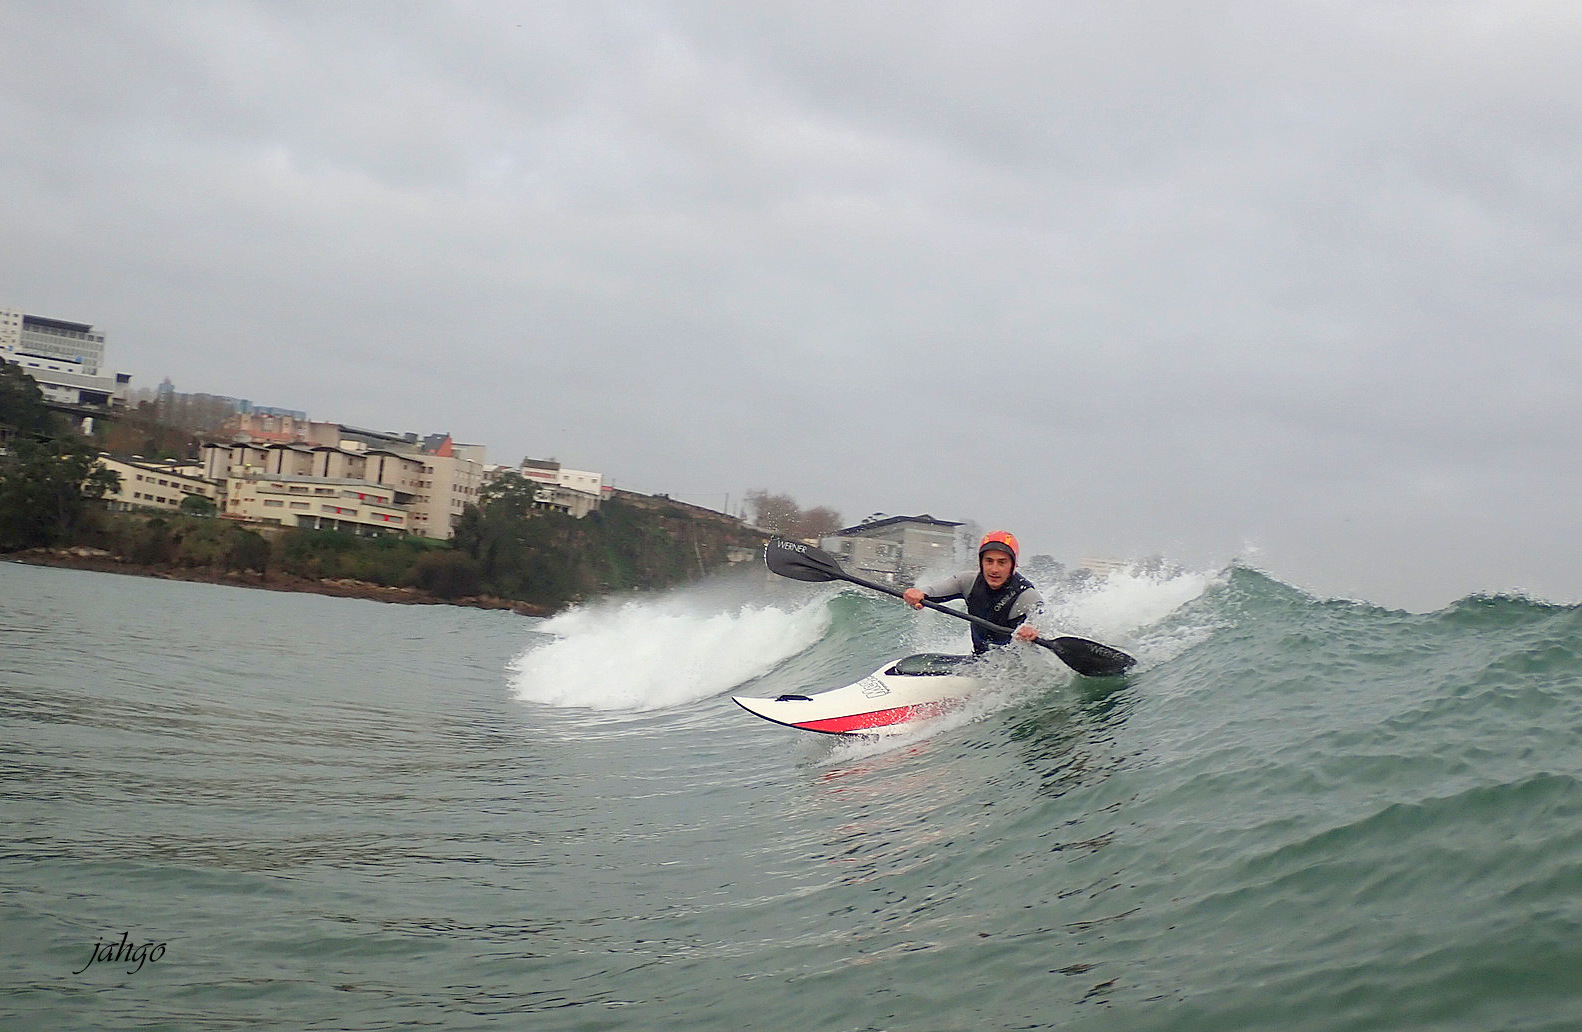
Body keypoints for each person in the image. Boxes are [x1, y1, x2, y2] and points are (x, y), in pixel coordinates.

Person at [902, 531, 1043, 654]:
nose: (994, 569)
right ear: (981, 562)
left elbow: (1041, 622)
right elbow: (932, 591)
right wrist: (919, 594)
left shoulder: (1027, 595)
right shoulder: (967, 581)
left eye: (1002, 562)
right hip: (979, 662)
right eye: (989, 561)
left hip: (1016, 667)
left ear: (1013, 565)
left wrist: (1032, 629)